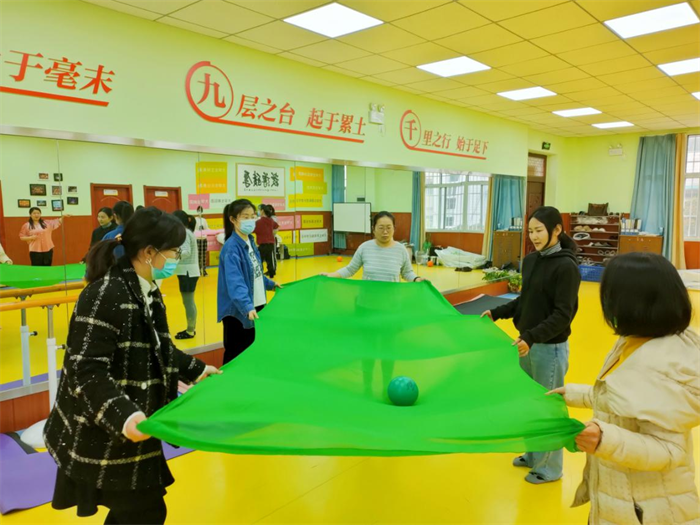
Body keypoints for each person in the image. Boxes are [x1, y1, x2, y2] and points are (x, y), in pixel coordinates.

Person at [44, 206, 220, 524]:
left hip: (135, 421)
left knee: (139, 511)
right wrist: (124, 416)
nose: (177, 257)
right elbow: (86, 371)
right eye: (174, 251)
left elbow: (158, 346)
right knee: (144, 512)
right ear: (149, 252)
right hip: (106, 428)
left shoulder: (144, 288)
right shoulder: (105, 294)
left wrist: (195, 369)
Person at [549, 252, 698, 524]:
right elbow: (626, 397)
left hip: (648, 509)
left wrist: (605, 439)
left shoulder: (665, 363)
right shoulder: (635, 340)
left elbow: (669, 450)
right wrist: (576, 394)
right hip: (620, 497)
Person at [482, 206, 580, 485]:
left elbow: (563, 315)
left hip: (549, 348)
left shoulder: (566, 266)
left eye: (539, 231)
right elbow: (525, 301)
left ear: (557, 230)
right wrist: (497, 313)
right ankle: (534, 454)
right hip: (526, 343)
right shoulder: (532, 260)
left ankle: (550, 467)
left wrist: (532, 336)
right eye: (531, 231)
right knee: (530, 402)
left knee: (547, 408)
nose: (534, 236)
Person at [218, 199, 281, 364]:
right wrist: (246, 306)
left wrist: (270, 284)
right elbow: (235, 282)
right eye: (245, 217)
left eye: (253, 216)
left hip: (255, 305)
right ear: (233, 219)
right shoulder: (232, 248)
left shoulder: (251, 241)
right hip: (240, 310)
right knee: (236, 353)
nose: (251, 220)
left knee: (253, 349)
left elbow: (254, 272)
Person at [322, 211, 424, 283]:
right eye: (381, 228)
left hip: (391, 301)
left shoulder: (401, 250)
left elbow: (407, 273)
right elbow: (350, 270)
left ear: (394, 229)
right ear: (373, 229)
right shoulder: (364, 247)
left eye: (389, 228)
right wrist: (331, 275)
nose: (385, 232)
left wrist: (416, 279)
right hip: (367, 300)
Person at [173, 210, 200, 340]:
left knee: (188, 302)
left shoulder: (183, 233)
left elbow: (186, 252)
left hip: (187, 272)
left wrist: (173, 254)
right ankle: (191, 328)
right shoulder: (187, 232)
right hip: (188, 271)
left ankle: (190, 330)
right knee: (189, 302)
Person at [254, 204, 277, 279]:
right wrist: (272, 233)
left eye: (259, 210)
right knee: (270, 259)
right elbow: (276, 227)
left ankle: (260, 274)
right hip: (270, 243)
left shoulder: (258, 222)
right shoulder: (271, 221)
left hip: (262, 244)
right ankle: (272, 273)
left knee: (259, 260)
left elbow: (252, 230)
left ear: (262, 211)